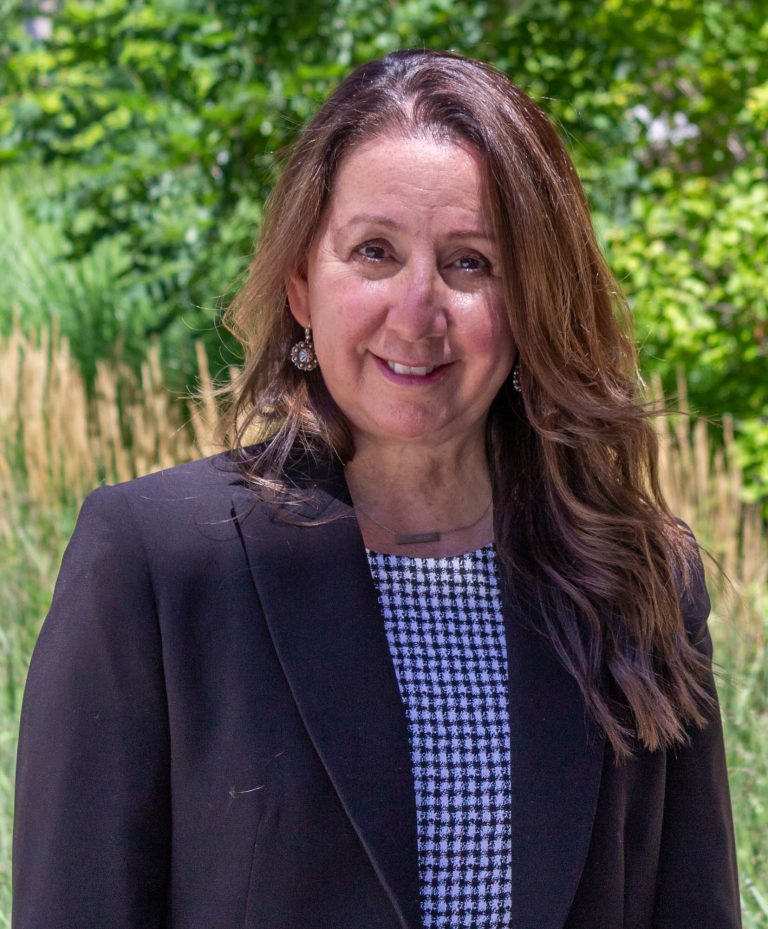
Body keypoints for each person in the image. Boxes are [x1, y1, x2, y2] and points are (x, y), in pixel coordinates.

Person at [13, 49, 740, 929]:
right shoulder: (157, 565)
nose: (418, 309)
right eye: (374, 251)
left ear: (532, 299)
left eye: (471, 262)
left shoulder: (636, 578)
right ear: (300, 288)